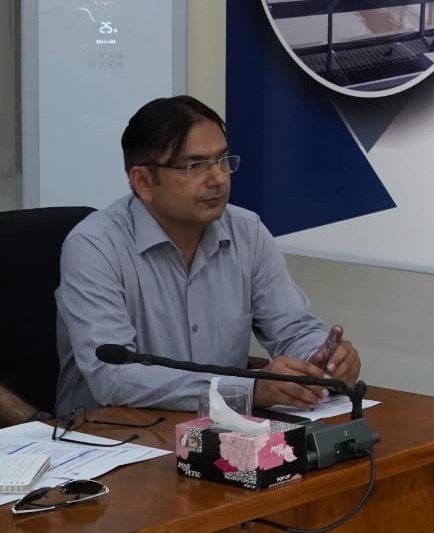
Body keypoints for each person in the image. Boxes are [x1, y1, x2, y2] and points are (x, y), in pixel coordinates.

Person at [54, 96, 361, 416]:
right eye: (195, 166)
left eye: (222, 160)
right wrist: (248, 389)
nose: (218, 178)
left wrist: (322, 359)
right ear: (143, 181)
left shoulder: (247, 232)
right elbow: (112, 377)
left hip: (220, 429)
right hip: (111, 432)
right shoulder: (94, 247)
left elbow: (293, 328)